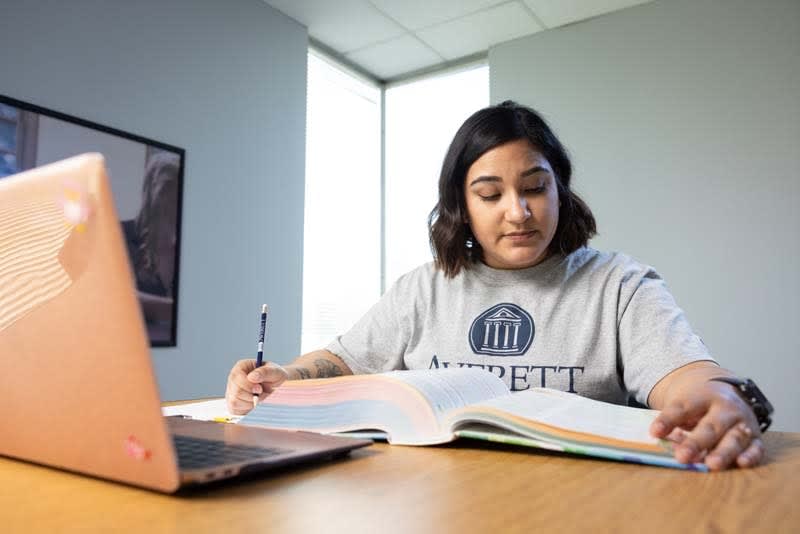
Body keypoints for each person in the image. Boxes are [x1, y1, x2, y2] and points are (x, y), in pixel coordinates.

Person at [226, 101, 770, 471]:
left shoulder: (619, 285)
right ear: (462, 206)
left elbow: (688, 375)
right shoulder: (424, 289)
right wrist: (284, 378)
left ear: (561, 190)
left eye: (535, 186)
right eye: (490, 195)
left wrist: (723, 398)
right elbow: (344, 361)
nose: (519, 211)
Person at [122, 149, 181, 342]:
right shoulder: (121, 235)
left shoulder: (188, 247)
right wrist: (176, 309)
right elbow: (117, 297)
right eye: (167, 193)